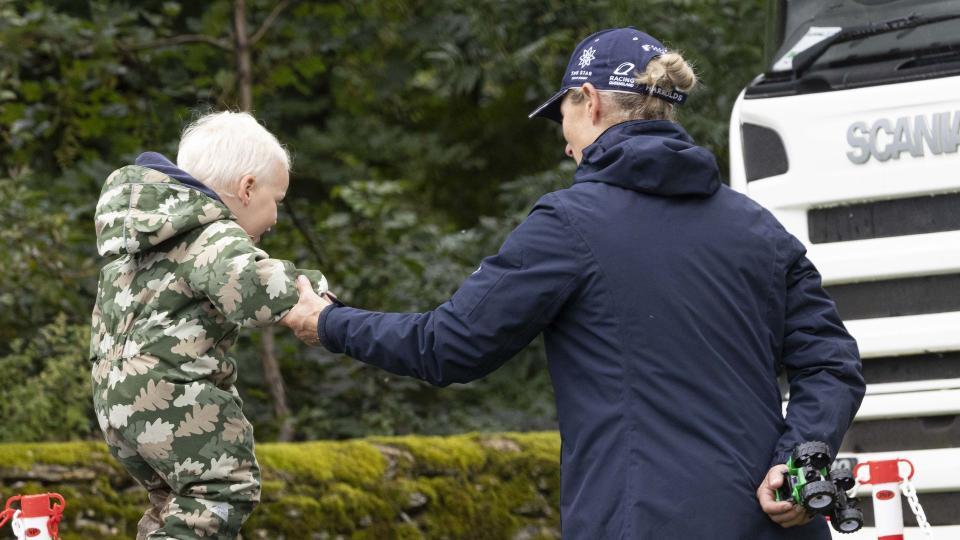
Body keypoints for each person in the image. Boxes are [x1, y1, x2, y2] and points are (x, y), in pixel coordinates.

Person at [282, 27, 865, 539]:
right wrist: (796, 463)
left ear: (588, 101)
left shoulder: (569, 223)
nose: (565, 145)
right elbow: (832, 362)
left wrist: (329, 321)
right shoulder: (757, 226)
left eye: (563, 118)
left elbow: (448, 346)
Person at [90, 111, 329, 539]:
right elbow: (252, 286)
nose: (275, 217)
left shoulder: (143, 240)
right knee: (223, 492)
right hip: (174, 394)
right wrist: (314, 298)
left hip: (116, 402)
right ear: (247, 187)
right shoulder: (211, 234)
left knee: (176, 504)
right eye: (277, 199)